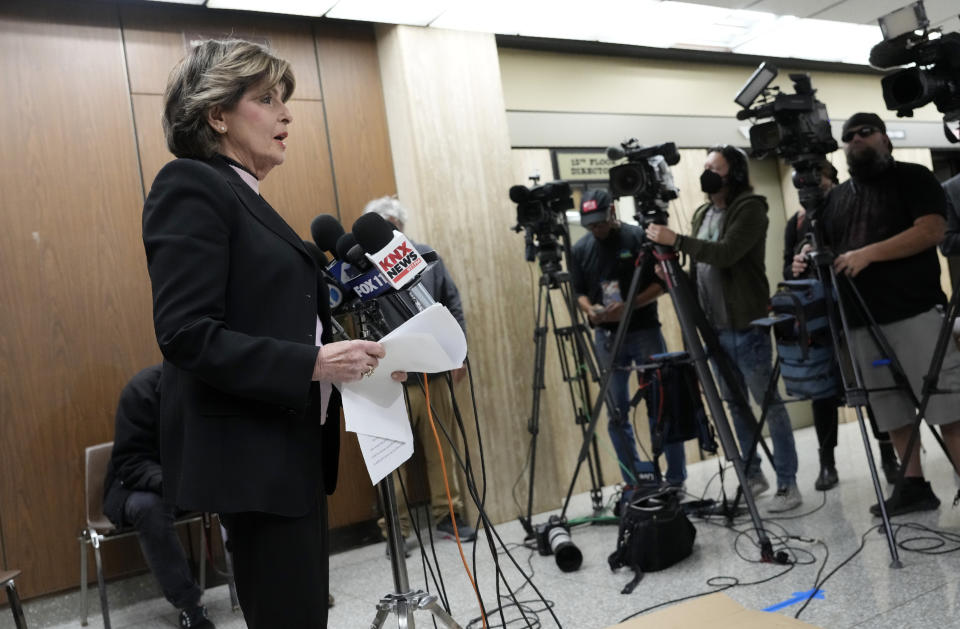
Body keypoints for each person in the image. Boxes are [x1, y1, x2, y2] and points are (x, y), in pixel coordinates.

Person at [142, 39, 403, 628]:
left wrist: (363, 362)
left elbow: (287, 322)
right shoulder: (192, 185)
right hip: (253, 460)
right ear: (216, 114)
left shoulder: (247, 197)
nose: (287, 113)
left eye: (285, 99)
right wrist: (314, 364)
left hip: (289, 453)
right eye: (266, 99)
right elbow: (186, 333)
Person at [792, 112, 960, 517]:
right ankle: (913, 485)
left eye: (865, 132)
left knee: (948, 406)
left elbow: (931, 231)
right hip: (861, 322)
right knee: (891, 409)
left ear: (885, 139)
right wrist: (805, 257)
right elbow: (828, 248)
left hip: (915, 312)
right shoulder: (837, 198)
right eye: (849, 136)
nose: (856, 140)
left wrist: (867, 255)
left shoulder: (913, 177)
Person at [646, 145, 802, 513]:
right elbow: (702, 269)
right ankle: (752, 475)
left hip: (745, 324)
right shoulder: (702, 212)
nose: (707, 173)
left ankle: (788, 483)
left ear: (733, 172)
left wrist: (677, 241)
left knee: (768, 405)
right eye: (704, 167)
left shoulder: (751, 207)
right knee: (733, 405)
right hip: (713, 326)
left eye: (714, 167)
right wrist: (672, 273)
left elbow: (727, 253)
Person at [362, 195, 477, 550]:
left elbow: (451, 304)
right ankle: (395, 529)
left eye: (391, 226)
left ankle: (449, 515)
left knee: (441, 449)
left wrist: (458, 354)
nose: (387, 234)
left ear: (400, 227)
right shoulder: (362, 270)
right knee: (391, 459)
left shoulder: (426, 258)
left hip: (432, 372)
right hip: (388, 379)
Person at [782, 161, 900, 491]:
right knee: (822, 390)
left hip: (858, 308)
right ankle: (827, 462)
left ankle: (888, 456)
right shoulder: (797, 223)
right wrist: (795, 265)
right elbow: (787, 271)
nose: (811, 188)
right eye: (804, 184)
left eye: (817, 181)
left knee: (874, 381)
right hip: (819, 317)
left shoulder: (853, 211)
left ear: (833, 180)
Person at [568, 189, 686, 488]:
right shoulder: (581, 249)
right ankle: (635, 483)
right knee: (616, 414)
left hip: (644, 330)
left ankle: (674, 479)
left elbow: (662, 284)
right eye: (590, 224)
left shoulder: (638, 239)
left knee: (661, 404)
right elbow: (578, 292)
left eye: (600, 222)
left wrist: (630, 305)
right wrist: (591, 311)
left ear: (612, 212)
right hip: (606, 338)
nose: (596, 229)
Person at [102, 365, 214, 629]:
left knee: (247, 483)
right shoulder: (139, 391)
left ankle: (284, 586)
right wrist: (176, 483)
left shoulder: (207, 389)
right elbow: (130, 462)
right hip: (134, 487)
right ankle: (190, 606)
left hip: (186, 484)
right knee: (149, 508)